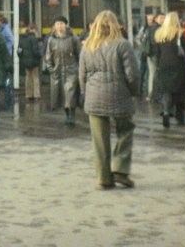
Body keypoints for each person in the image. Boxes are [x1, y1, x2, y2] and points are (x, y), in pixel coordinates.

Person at [79, 10, 140, 190]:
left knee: (99, 140)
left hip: (94, 96)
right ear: (115, 25)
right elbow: (133, 74)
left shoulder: (87, 46)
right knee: (126, 130)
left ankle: (104, 178)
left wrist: (86, 94)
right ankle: (120, 169)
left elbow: (82, 75)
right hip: (119, 94)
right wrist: (134, 92)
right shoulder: (123, 45)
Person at [152, 12, 185, 128]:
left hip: (164, 65)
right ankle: (180, 116)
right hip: (178, 65)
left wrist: (158, 66)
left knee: (166, 91)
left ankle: (166, 111)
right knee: (179, 91)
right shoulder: (180, 33)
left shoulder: (159, 34)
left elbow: (157, 53)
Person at [44, 15, 82, 126]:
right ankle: (67, 114)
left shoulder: (73, 38)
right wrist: (51, 69)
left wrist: (78, 68)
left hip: (71, 70)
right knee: (60, 96)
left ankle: (71, 116)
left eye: (62, 24)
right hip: (58, 71)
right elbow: (48, 57)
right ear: (54, 26)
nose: (60, 26)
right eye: (57, 24)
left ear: (66, 25)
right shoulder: (51, 40)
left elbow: (79, 54)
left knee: (70, 93)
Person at [18, 21, 42, 101]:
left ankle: (28, 94)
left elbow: (19, 51)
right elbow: (35, 51)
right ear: (34, 29)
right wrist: (39, 56)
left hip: (25, 61)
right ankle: (36, 94)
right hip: (34, 61)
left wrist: (22, 58)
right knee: (35, 77)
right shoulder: (34, 39)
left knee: (28, 77)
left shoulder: (22, 38)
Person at [146, 12, 165, 101]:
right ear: (156, 19)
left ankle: (151, 93)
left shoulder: (152, 27)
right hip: (155, 54)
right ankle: (154, 94)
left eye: (163, 18)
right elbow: (155, 43)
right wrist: (158, 55)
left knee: (152, 74)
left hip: (150, 53)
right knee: (155, 74)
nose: (162, 20)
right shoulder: (156, 28)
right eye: (161, 18)